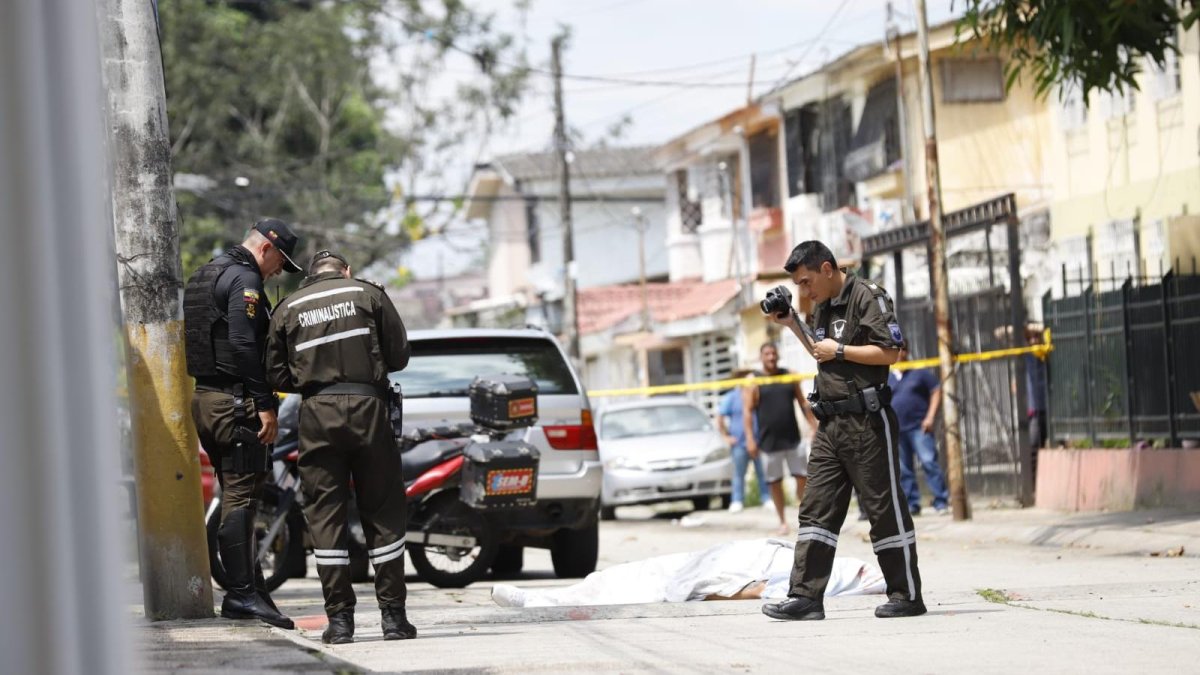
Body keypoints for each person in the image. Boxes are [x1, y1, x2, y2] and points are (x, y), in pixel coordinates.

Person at [760, 240, 926, 621]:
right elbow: (821, 350)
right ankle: (805, 596)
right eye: (798, 285)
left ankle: (906, 595)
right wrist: (792, 324)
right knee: (815, 510)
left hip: (868, 422)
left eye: (806, 282)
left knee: (883, 510)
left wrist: (840, 351)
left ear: (827, 269)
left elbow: (890, 352)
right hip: (831, 424)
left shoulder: (868, 297)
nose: (804, 291)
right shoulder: (822, 307)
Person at [264, 250, 414, 645]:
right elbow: (399, 356)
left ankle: (341, 623)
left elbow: (276, 373)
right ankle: (394, 620)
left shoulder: (288, 307)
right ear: (346, 271)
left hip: (317, 415)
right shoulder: (369, 294)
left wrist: (315, 381)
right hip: (370, 411)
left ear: (311, 275)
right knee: (383, 510)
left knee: (325, 515)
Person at [183, 218, 302, 629]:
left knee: (236, 489)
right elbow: (242, 342)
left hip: (205, 399)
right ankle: (241, 595)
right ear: (267, 249)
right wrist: (264, 403)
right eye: (279, 265)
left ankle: (253, 588)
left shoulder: (206, 272)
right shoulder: (245, 277)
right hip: (235, 404)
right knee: (242, 496)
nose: (275, 275)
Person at [489, 539, 884, 608]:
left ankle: (538, 600)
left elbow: (755, 591)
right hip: (711, 559)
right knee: (625, 574)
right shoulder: (823, 562)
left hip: (704, 573)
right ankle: (541, 597)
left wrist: (698, 591)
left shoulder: (821, 580)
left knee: (627, 588)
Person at [744, 343, 819, 535]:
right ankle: (782, 521)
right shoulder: (754, 380)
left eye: (773, 354)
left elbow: (803, 403)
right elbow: (747, 412)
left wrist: (814, 426)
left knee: (802, 477)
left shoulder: (789, 375)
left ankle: (805, 518)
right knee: (774, 482)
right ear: (761, 357)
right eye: (767, 354)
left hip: (792, 438)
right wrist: (750, 439)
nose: (771, 357)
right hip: (769, 442)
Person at [888, 349, 949, 517]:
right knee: (904, 469)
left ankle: (941, 501)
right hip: (898, 429)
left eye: (901, 350)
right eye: (894, 350)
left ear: (907, 352)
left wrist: (930, 417)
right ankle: (912, 504)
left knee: (929, 462)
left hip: (919, 427)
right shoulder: (888, 376)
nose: (898, 353)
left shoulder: (919, 372)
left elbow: (936, 390)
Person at [716, 370, 769, 512]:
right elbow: (719, 418)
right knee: (739, 473)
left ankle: (767, 498)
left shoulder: (758, 395)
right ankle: (737, 500)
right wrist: (726, 436)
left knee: (763, 472)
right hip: (739, 442)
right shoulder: (732, 397)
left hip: (759, 441)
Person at [1025, 324, 1048, 476]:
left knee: (1047, 444)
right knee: (1033, 444)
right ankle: (1032, 479)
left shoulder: (1046, 351)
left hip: (1048, 406)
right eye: (1030, 337)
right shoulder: (1024, 353)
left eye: (1036, 336)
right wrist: (1026, 328)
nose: (1034, 340)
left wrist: (1041, 330)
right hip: (1033, 409)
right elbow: (999, 334)